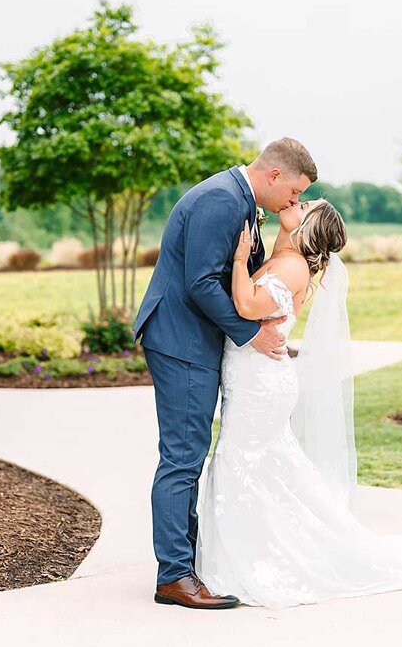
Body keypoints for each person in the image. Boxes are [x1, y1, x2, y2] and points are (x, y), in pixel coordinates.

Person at [194, 198, 402, 609]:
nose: (297, 202)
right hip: (253, 378)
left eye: (306, 203)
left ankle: (258, 559)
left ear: (310, 224)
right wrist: (268, 239)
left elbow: (245, 305)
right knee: (262, 465)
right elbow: (265, 282)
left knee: (242, 462)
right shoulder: (288, 257)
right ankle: (257, 550)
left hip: (260, 383)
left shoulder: (292, 267)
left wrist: (241, 259)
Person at [134, 137, 316, 610]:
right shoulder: (221, 200)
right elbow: (200, 284)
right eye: (294, 193)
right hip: (181, 341)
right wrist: (250, 335)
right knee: (182, 456)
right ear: (274, 175)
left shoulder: (239, 199)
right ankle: (174, 576)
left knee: (187, 453)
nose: (293, 202)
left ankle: (187, 565)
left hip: (190, 340)